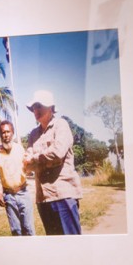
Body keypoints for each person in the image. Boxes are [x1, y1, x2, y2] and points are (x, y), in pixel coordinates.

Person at [24, 89, 83, 234]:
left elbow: (57, 152)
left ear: (50, 107)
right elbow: (27, 165)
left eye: (39, 106)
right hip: (43, 198)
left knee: (72, 243)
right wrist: (38, 159)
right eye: (33, 107)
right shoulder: (33, 134)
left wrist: (35, 158)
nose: (35, 110)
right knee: (54, 246)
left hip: (63, 194)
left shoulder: (61, 125)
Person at [0, 119, 34, 236]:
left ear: (13, 133)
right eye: (3, 133)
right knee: (16, 231)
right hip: (9, 196)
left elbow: (28, 167)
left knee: (29, 229)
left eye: (8, 132)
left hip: (23, 193)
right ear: (0, 135)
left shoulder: (20, 149)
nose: (5, 135)